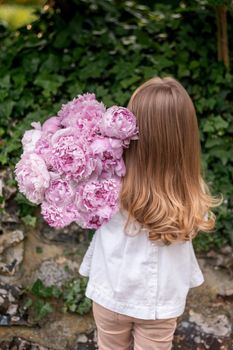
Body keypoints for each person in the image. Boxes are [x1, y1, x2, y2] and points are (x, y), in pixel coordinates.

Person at [78, 76, 222, 350]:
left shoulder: (109, 181)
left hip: (110, 292)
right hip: (160, 304)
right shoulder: (190, 195)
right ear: (185, 138)